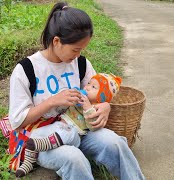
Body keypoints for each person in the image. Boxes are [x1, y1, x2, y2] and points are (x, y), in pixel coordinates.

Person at [8, 2, 145, 179]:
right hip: (44, 140)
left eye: (81, 50)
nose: (78, 55)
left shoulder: (80, 64)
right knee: (75, 159)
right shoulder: (27, 70)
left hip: (79, 129)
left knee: (115, 143)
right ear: (56, 41)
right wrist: (52, 101)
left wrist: (105, 106)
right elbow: (17, 122)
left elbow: (99, 92)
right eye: (75, 49)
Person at [15, 73, 123, 177]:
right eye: (89, 83)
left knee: (68, 132)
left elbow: (92, 126)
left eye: (93, 87)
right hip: (58, 125)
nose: (88, 87)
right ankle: (29, 162)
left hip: (75, 134)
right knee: (36, 133)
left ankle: (46, 143)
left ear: (102, 96)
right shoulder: (82, 97)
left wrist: (88, 107)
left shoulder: (95, 108)